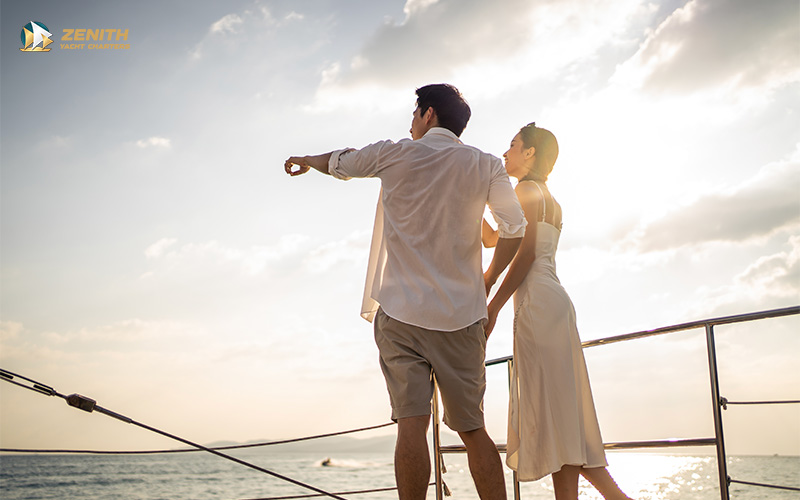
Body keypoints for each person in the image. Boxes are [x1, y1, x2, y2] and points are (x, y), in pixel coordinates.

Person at [284, 84, 526, 500]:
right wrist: (486, 281)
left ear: (428, 114)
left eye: (414, 114)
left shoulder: (394, 153)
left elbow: (340, 162)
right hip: (462, 318)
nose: (411, 122)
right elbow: (515, 227)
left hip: (400, 316)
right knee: (472, 429)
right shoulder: (486, 165)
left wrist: (307, 160)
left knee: (412, 426)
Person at [482, 123, 633, 500]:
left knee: (559, 421)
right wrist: (468, 202)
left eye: (513, 145)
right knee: (562, 420)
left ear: (530, 153)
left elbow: (527, 252)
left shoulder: (523, 190)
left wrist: (494, 303)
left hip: (536, 305)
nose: (506, 152)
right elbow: (492, 240)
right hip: (556, 304)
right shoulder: (548, 197)